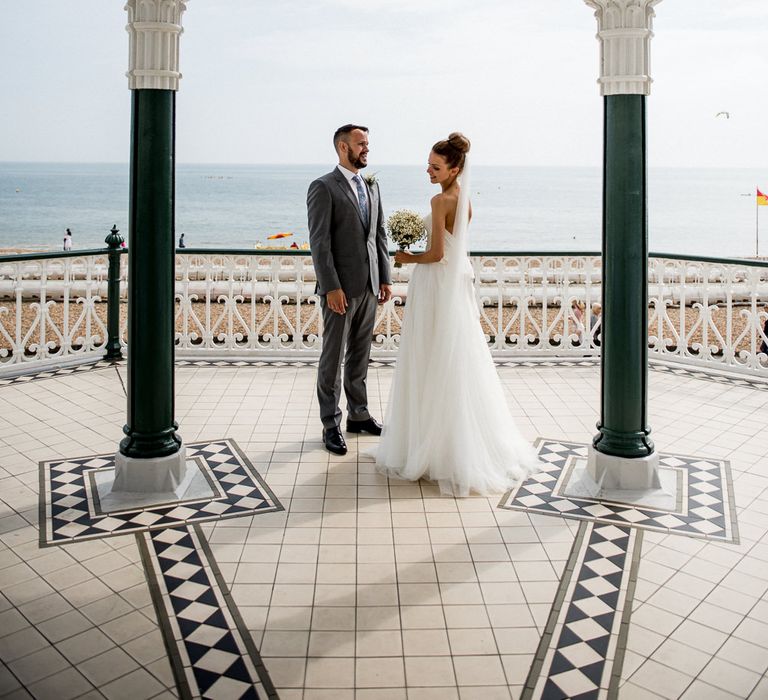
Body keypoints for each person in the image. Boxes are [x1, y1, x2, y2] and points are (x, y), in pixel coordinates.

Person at [375, 133, 538, 496]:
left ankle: (428, 447)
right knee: (455, 360)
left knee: (428, 358)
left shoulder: (439, 201)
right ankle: (455, 446)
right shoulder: (465, 200)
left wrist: (405, 257)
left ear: (455, 168)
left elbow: (435, 254)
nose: (429, 171)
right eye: (428, 165)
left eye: (435, 167)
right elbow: (452, 247)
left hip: (435, 285)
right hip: (455, 287)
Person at [307, 124, 393, 455]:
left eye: (367, 144)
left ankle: (359, 415)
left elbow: (379, 234)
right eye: (361, 144)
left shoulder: (372, 185)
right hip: (340, 291)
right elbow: (319, 242)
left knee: (360, 355)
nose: (366, 149)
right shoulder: (323, 187)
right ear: (344, 148)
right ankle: (331, 424)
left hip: (370, 285)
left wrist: (384, 277)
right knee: (332, 358)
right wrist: (331, 287)